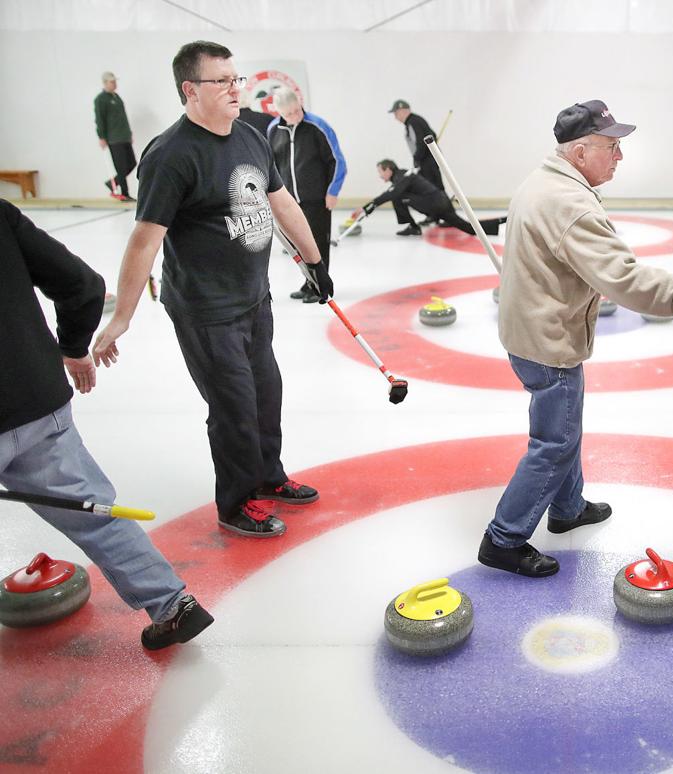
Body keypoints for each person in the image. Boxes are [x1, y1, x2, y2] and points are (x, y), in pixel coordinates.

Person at [92, 40, 332, 540]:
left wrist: (315, 261)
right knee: (233, 410)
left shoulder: (248, 135)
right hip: (206, 310)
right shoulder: (171, 155)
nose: (233, 88)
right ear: (189, 89)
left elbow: (283, 203)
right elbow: (143, 243)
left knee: (267, 394)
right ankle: (237, 502)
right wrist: (122, 318)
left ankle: (268, 476)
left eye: (235, 78)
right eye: (220, 81)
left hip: (253, 297)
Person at [479, 100, 673, 578]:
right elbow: (622, 278)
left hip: (537, 328)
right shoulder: (567, 201)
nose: (619, 156)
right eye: (612, 146)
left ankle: (567, 508)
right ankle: (504, 537)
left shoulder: (548, 180)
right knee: (555, 441)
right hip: (547, 339)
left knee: (564, 428)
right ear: (579, 150)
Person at [0, 198, 212, 650]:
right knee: (92, 510)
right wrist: (73, 347)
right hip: (37, 398)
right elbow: (83, 285)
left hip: (31, 401)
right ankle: (173, 604)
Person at [267, 88, 346, 303]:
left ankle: (320, 288)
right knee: (298, 245)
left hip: (317, 199)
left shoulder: (317, 126)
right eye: (289, 114)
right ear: (279, 112)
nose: (294, 116)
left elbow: (338, 161)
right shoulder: (274, 130)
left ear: (300, 103)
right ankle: (307, 283)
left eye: (296, 111)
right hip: (289, 202)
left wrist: (332, 191)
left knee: (318, 245)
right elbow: (270, 166)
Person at [351, 159, 505, 238]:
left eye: (381, 172)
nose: (380, 176)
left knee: (397, 196)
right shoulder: (401, 176)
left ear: (389, 169)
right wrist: (369, 207)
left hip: (435, 204)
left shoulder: (402, 177)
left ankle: (413, 227)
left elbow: (391, 194)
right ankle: (502, 222)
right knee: (469, 229)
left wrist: (368, 207)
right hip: (439, 202)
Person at [94, 71, 137, 202]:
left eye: (115, 81)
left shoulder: (117, 97)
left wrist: (128, 134)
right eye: (112, 82)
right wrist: (101, 137)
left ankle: (111, 183)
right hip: (114, 138)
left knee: (132, 163)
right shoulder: (101, 99)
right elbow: (100, 119)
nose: (114, 84)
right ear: (105, 83)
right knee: (121, 167)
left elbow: (123, 117)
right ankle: (124, 193)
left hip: (124, 136)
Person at [388, 99, 443, 197]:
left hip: (427, 161)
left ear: (403, 110)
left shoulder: (413, 122)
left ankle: (444, 209)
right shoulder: (415, 121)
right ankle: (441, 208)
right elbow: (432, 135)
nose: (395, 117)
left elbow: (421, 143)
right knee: (433, 188)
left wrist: (417, 159)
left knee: (433, 189)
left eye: (396, 113)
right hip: (429, 160)